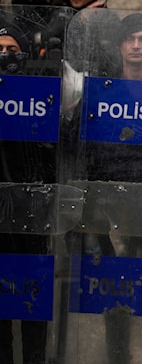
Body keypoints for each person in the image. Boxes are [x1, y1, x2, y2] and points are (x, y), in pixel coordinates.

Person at [61, 11, 142, 364]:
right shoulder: (101, 91)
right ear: (121, 45)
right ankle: (117, 356)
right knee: (112, 292)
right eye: (130, 39)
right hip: (104, 209)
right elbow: (74, 141)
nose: (136, 46)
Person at [0, 23, 54, 364]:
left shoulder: (39, 93)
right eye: (0, 50)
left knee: (33, 298)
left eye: (12, 49)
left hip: (34, 212)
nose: (6, 55)